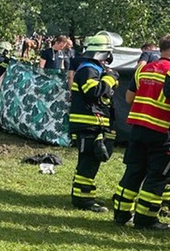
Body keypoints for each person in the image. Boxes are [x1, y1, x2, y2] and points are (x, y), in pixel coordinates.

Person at [111, 35, 170, 229]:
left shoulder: (143, 69)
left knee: (134, 170)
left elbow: (129, 98)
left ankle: (121, 213)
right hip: (161, 131)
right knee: (157, 175)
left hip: (137, 129)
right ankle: (145, 219)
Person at [68, 32, 119, 213]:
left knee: (89, 161)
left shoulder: (92, 68)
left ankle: (82, 197)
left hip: (92, 123)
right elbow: (93, 91)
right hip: (88, 123)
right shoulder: (89, 69)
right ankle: (84, 201)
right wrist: (110, 79)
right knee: (89, 163)